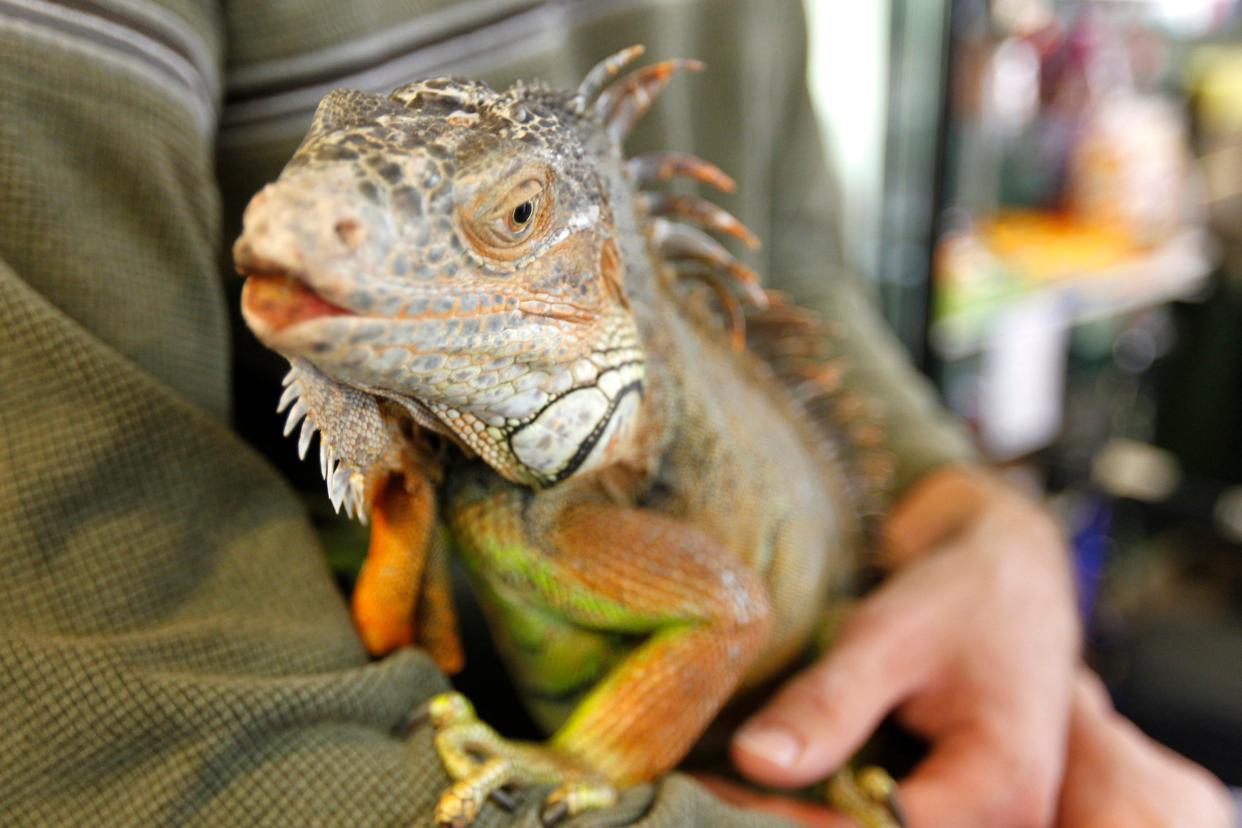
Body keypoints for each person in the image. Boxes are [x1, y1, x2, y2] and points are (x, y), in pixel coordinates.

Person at [0, 0, 1230, 825]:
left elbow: (788, 271)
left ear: (590, 275)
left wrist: (972, 517)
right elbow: (93, 660)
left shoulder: (568, 524)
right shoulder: (482, 467)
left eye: (515, 222)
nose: (294, 216)